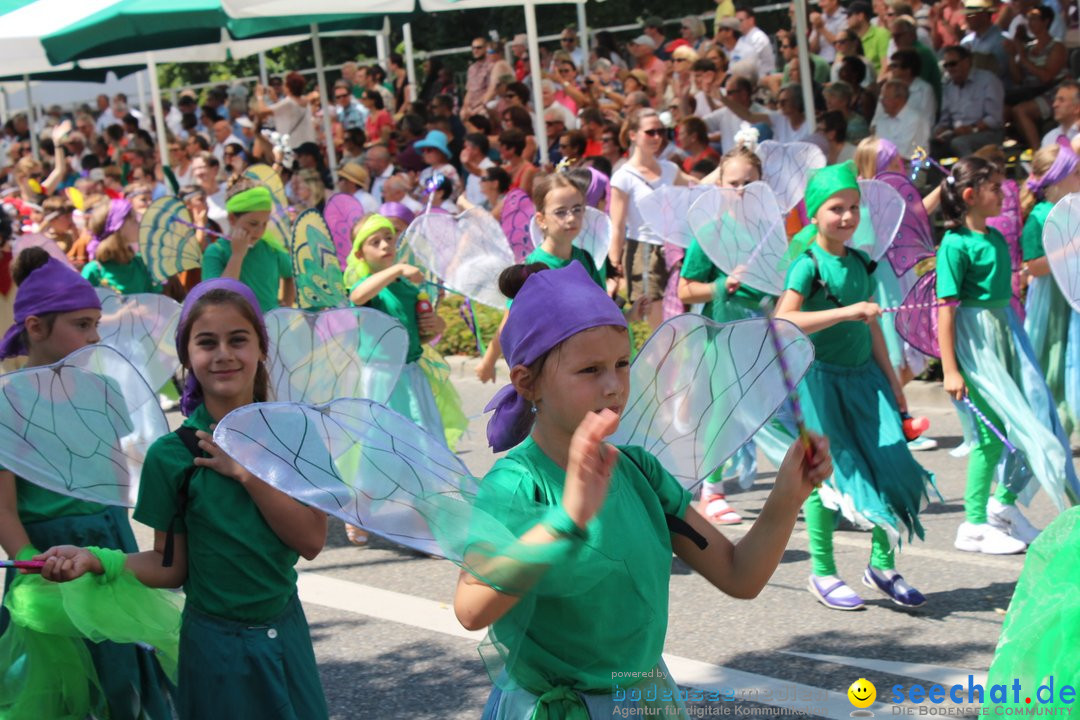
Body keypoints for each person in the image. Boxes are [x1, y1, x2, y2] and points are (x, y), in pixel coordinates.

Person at [456, 260, 832, 717]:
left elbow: (739, 575)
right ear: (527, 383)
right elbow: (471, 607)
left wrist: (787, 497)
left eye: (621, 363)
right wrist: (563, 523)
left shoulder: (641, 472)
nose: (613, 386)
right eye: (590, 370)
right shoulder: (517, 483)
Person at [36, 278, 329, 719]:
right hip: (213, 648)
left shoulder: (296, 433)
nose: (224, 354)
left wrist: (247, 474)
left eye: (238, 340)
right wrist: (96, 559)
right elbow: (171, 567)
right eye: (207, 343)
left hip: (285, 634)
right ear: (188, 358)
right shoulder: (171, 457)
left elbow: (310, 541)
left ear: (262, 349)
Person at [0, 248, 174, 720]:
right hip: (45, 554)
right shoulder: (6, 402)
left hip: (106, 549)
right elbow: (4, 508)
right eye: (81, 324)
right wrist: (30, 568)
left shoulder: (105, 390)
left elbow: (114, 484)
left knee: (123, 676)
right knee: (59, 684)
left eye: (97, 323)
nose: (95, 336)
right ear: (35, 327)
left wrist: (122, 554)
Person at [775, 161, 937, 610]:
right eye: (835, 208)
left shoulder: (862, 263)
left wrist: (895, 382)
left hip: (866, 379)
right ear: (814, 214)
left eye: (853, 207)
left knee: (889, 464)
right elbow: (783, 319)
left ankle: (882, 566)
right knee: (830, 477)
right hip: (821, 384)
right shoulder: (807, 266)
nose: (846, 216)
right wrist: (846, 312)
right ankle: (823, 572)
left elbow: (873, 330)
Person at [937, 156, 1078, 554]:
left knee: (1039, 427)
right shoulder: (954, 244)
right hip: (978, 345)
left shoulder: (996, 239)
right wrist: (950, 369)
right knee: (990, 437)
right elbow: (946, 311)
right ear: (970, 195)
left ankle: (1003, 506)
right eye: (996, 187)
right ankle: (975, 524)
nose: (1005, 193)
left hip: (1007, 338)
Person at [678, 147, 783, 524]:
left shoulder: (771, 232)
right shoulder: (708, 233)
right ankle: (711, 491)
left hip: (760, 331)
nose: (740, 191)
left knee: (763, 410)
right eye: (733, 184)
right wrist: (723, 284)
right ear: (719, 187)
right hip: (719, 331)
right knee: (724, 409)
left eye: (749, 184)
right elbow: (686, 290)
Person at [1020, 138, 1080, 439]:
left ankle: (1064, 426)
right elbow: (1034, 266)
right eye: (1077, 173)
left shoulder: (1073, 209)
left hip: (1075, 297)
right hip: (1052, 301)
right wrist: (1072, 247)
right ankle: (1047, 430)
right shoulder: (1040, 217)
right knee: (1052, 362)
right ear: (1055, 180)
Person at [609, 110, 694, 323]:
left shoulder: (670, 169)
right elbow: (617, 226)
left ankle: (671, 357)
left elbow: (699, 187)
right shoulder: (623, 176)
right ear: (633, 135)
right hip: (643, 250)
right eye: (650, 132)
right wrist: (614, 263)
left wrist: (727, 173)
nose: (657, 137)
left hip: (673, 250)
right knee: (654, 325)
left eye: (661, 132)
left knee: (676, 317)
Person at [201, 181, 295, 313]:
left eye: (264, 224)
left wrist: (287, 307)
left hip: (269, 329)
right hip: (234, 330)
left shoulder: (271, 249)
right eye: (253, 223)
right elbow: (218, 297)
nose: (259, 231)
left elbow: (291, 275)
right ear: (232, 218)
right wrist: (237, 256)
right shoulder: (215, 252)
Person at [1006, 4, 1068, 152]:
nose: (1029, 23)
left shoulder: (1056, 46)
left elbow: (1047, 76)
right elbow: (1017, 79)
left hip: (1053, 92)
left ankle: (1038, 153)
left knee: (1020, 111)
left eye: (1034, 19)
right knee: (1004, 110)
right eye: (1028, 19)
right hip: (1030, 92)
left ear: (1045, 21)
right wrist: (1012, 54)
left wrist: (1022, 57)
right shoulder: (1028, 48)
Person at [932, 45, 1005, 158]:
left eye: (953, 64)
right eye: (946, 65)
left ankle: (971, 174)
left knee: (959, 143)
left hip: (987, 133)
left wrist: (971, 129)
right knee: (930, 145)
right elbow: (945, 120)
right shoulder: (948, 87)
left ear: (966, 62)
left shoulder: (988, 80)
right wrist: (939, 131)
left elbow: (994, 119)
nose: (949, 68)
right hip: (955, 133)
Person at [82, 199, 159, 294]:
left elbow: (154, 301)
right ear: (118, 226)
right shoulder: (94, 271)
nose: (140, 224)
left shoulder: (141, 263)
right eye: (134, 220)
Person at [253, 72, 316, 149]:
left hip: (294, 145)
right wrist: (275, 99)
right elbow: (284, 110)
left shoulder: (288, 102)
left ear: (288, 87)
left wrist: (259, 96)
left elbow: (262, 111)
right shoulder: (304, 100)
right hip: (308, 142)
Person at [871, 79, 931, 157]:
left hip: (909, 166)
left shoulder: (915, 120)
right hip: (884, 164)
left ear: (899, 99)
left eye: (885, 98)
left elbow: (903, 153)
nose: (881, 101)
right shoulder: (881, 120)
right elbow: (877, 147)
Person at [848, 1, 891, 74]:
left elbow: (885, 66)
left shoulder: (881, 34)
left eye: (849, 15)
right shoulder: (847, 37)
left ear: (860, 16)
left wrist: (877, 84)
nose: (846, 18)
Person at [735, 5, 777, 76]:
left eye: (741, 20)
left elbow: (749, 63)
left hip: (762, 80)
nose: (738, 24)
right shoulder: (741, 39)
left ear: (751, 20)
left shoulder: (759, 37)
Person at [1041, 80, 1080, 147]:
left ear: (1077, 108)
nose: (1054, 105)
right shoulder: (1049, 138)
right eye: (1055, 100)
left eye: (1061, 100)